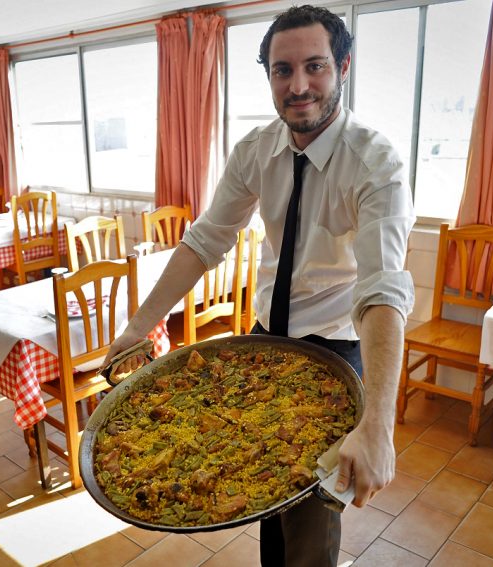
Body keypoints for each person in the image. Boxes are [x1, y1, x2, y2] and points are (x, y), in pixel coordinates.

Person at [103, 5, 414, 566]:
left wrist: (379, 423)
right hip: (265, 339)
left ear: (343, 66)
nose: (299, 86)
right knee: (262, 488)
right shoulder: (254, 151)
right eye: (282, 70)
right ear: (268, 75)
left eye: (315, 66)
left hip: (339, 348)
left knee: (314, 519)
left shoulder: (375, 162)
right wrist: (138, 326)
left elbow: (383, 289)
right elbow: (205, 241)